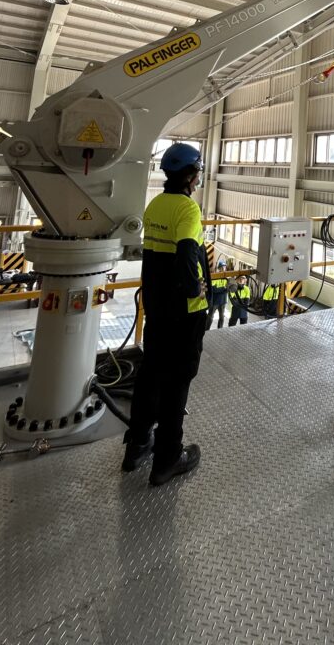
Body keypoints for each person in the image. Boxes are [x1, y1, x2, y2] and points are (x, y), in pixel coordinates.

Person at [122, 143, 211, 486]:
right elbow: (188, 251)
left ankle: (137, 446)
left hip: (156, 306)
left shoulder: (156, 204)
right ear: (191, 176)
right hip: (184, 311)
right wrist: (194, 289)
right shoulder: (188, 209)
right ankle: (168, 458)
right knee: (178, 381)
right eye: (198, 172)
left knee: (151, 375)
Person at [208, 259, 229, 329]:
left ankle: (220, 329)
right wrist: (223, 289)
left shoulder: (227, 277)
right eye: (222, 267)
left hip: (222, 301)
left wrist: (220, 290)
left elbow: (227, 289)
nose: (223, 269)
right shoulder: (215, 277)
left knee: (222, 317)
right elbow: (213, 289)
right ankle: (206, 329)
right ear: (219, 268)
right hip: (214, 301)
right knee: (210, 317)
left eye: (224, 267)